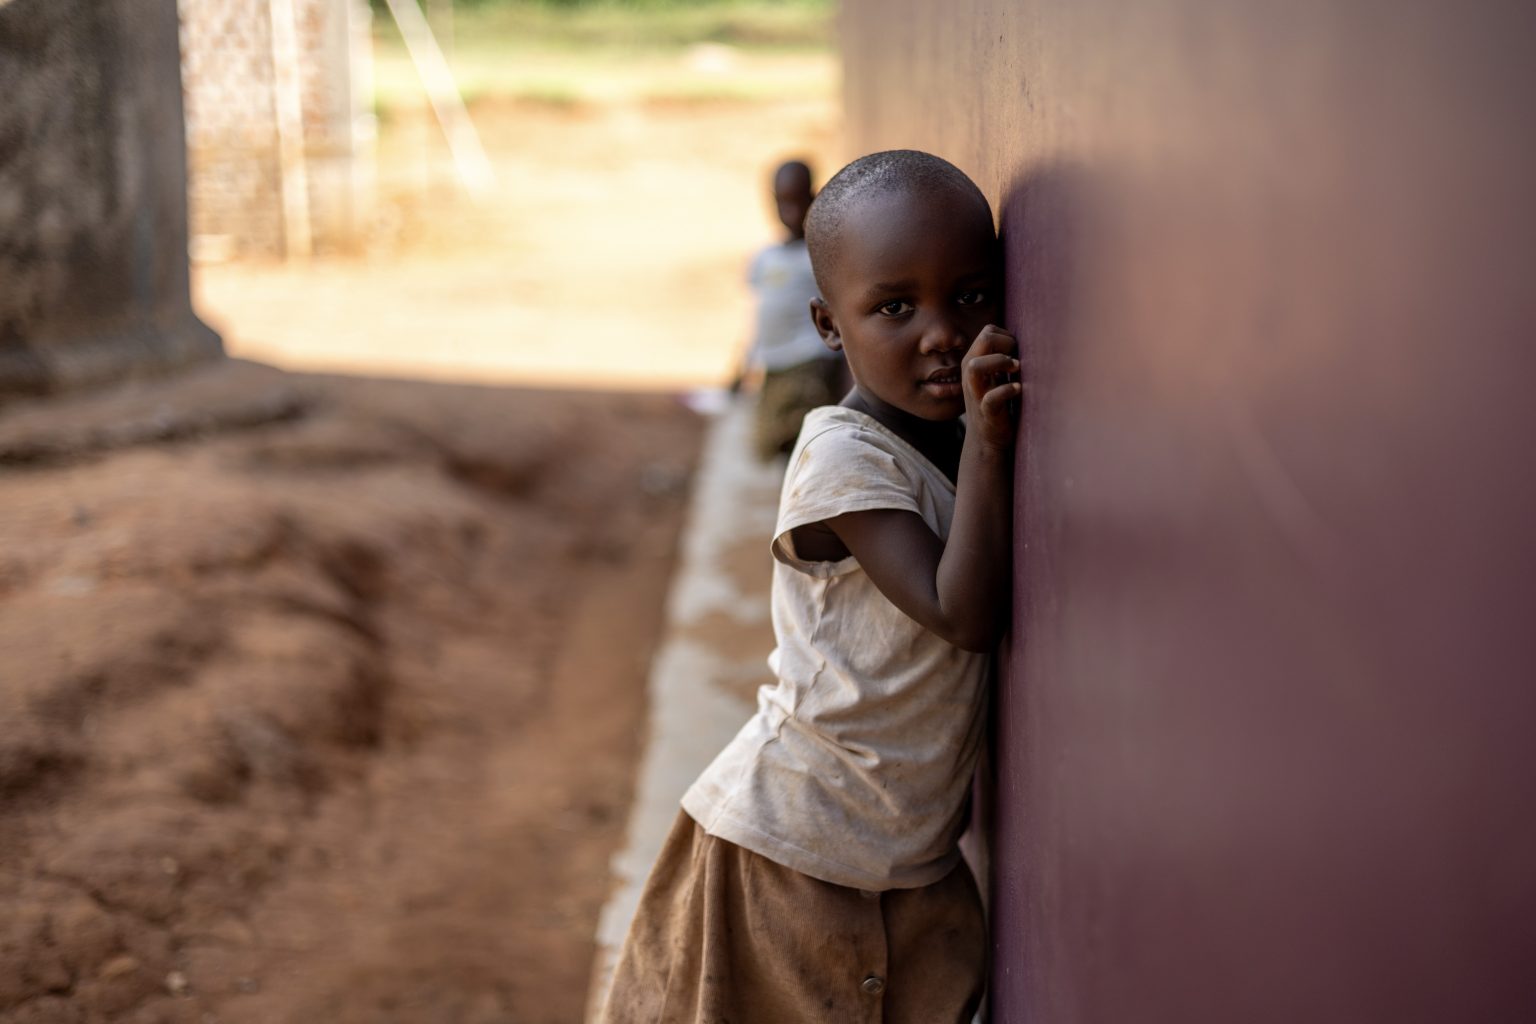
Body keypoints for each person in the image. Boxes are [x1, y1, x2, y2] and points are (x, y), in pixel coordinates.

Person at [600, 150, 1020, 1023]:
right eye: (895, 308)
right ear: (829, 326)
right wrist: (989, 444)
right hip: (794, 850)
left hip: (901, 859)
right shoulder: (842, 458)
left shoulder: (940, 436)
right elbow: (961, 613)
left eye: (971, 296)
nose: (942, 332)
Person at [737, 159, 846, 461]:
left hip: (810, 362)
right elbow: (758, 316)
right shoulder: (765, 257)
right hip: (774, 365)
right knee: (769, 442)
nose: (792, 212)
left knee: (801, 437)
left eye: (799, 202)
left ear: (813, 196)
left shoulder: (819, 256)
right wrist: (742, 367)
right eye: (783, 203)